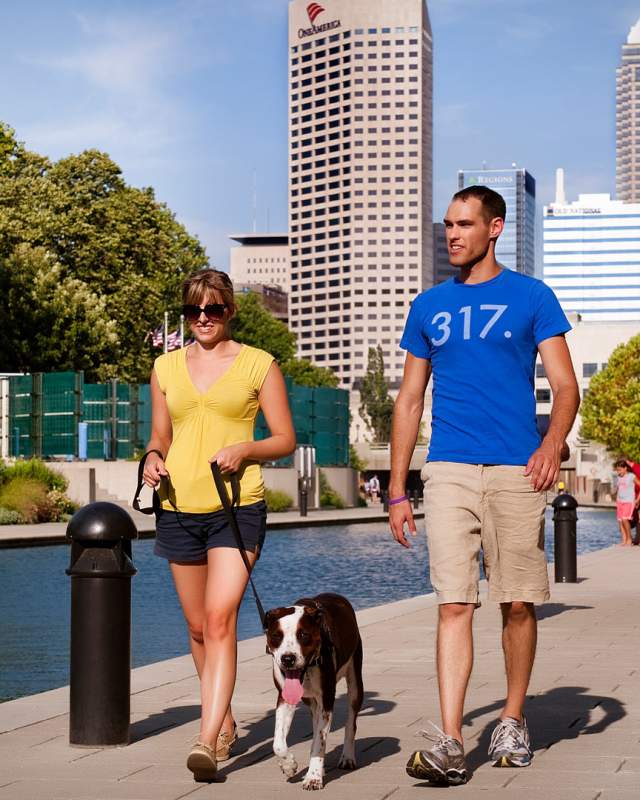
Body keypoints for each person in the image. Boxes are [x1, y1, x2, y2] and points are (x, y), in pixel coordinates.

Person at [389, 186, 580, 786]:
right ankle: (452, 740)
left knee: (518, 601)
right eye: (447, 225)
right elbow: (410, 399)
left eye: (464, 225)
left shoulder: (531, 297)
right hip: (447, 468)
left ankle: (513, 719)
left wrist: (550, 445)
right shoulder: (428, 306)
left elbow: (566, 386)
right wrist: (398, 488)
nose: (452, 235)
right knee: (453, 602)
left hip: (517, 470)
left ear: (494, 228)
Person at [142, 268, 295, 781]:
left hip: (236, 507)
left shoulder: (258, 364)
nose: (202, 319)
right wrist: (151, 458)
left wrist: (245, 448)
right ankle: (224, 717)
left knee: (219, 618)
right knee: (196, 627)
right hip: (177, 505)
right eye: (193, 311)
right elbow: (160, 433)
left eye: (213, 309)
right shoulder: (164, 367)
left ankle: (206, 741)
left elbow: (284, 438)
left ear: (229, 310)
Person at [613, 460, 640, 546]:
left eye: (620, 470)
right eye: (617, 470)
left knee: (625, 519)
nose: (618, 472)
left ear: (625, 468)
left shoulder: (631, 476)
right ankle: (624, 540)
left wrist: (638, 499)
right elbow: (618, 489)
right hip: (620, 501)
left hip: (629, 501)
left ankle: (629, 538)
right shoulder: (618, 477)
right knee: (620, 520)